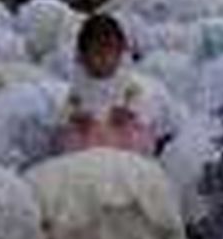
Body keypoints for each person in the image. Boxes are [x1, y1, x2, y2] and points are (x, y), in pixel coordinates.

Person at [56, 13, 156, 156]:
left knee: (135, 133)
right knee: (71, 138)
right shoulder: (80, 82)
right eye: (97, 53)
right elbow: (69, 107)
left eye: (110, 53)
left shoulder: (125, 80)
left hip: (120, 134)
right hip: (88, 135)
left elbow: (138, 101)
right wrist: (76, 116)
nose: (104, 60)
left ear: (120, 53)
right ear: (83, 55)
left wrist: (128, 111)